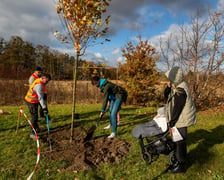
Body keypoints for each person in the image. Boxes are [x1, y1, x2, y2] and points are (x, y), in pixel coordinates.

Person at [164, 66, 196, 173]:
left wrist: (171, 123)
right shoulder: (177, 86)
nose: (169, 81)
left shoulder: (181, 90)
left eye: (170, 79)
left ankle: (181, 166)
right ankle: (179, 161)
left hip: (181, 119)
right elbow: (165, 95)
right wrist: (168, 87)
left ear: (175, 78)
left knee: (180, 142)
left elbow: (177, 108)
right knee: (178, 141)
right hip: (179, 118)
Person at [25, 73, 51, 139]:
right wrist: (44, 108)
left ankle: (36, 129)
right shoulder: (39, 85)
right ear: (43, 78)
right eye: (47, 81)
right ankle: (32, 134)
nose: (47, 83)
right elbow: (40, 98)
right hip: (31, 101)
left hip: (34, 101)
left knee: (35, 116)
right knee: (34, 117)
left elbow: (41, 95)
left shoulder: (41, 82)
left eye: (48, 81)